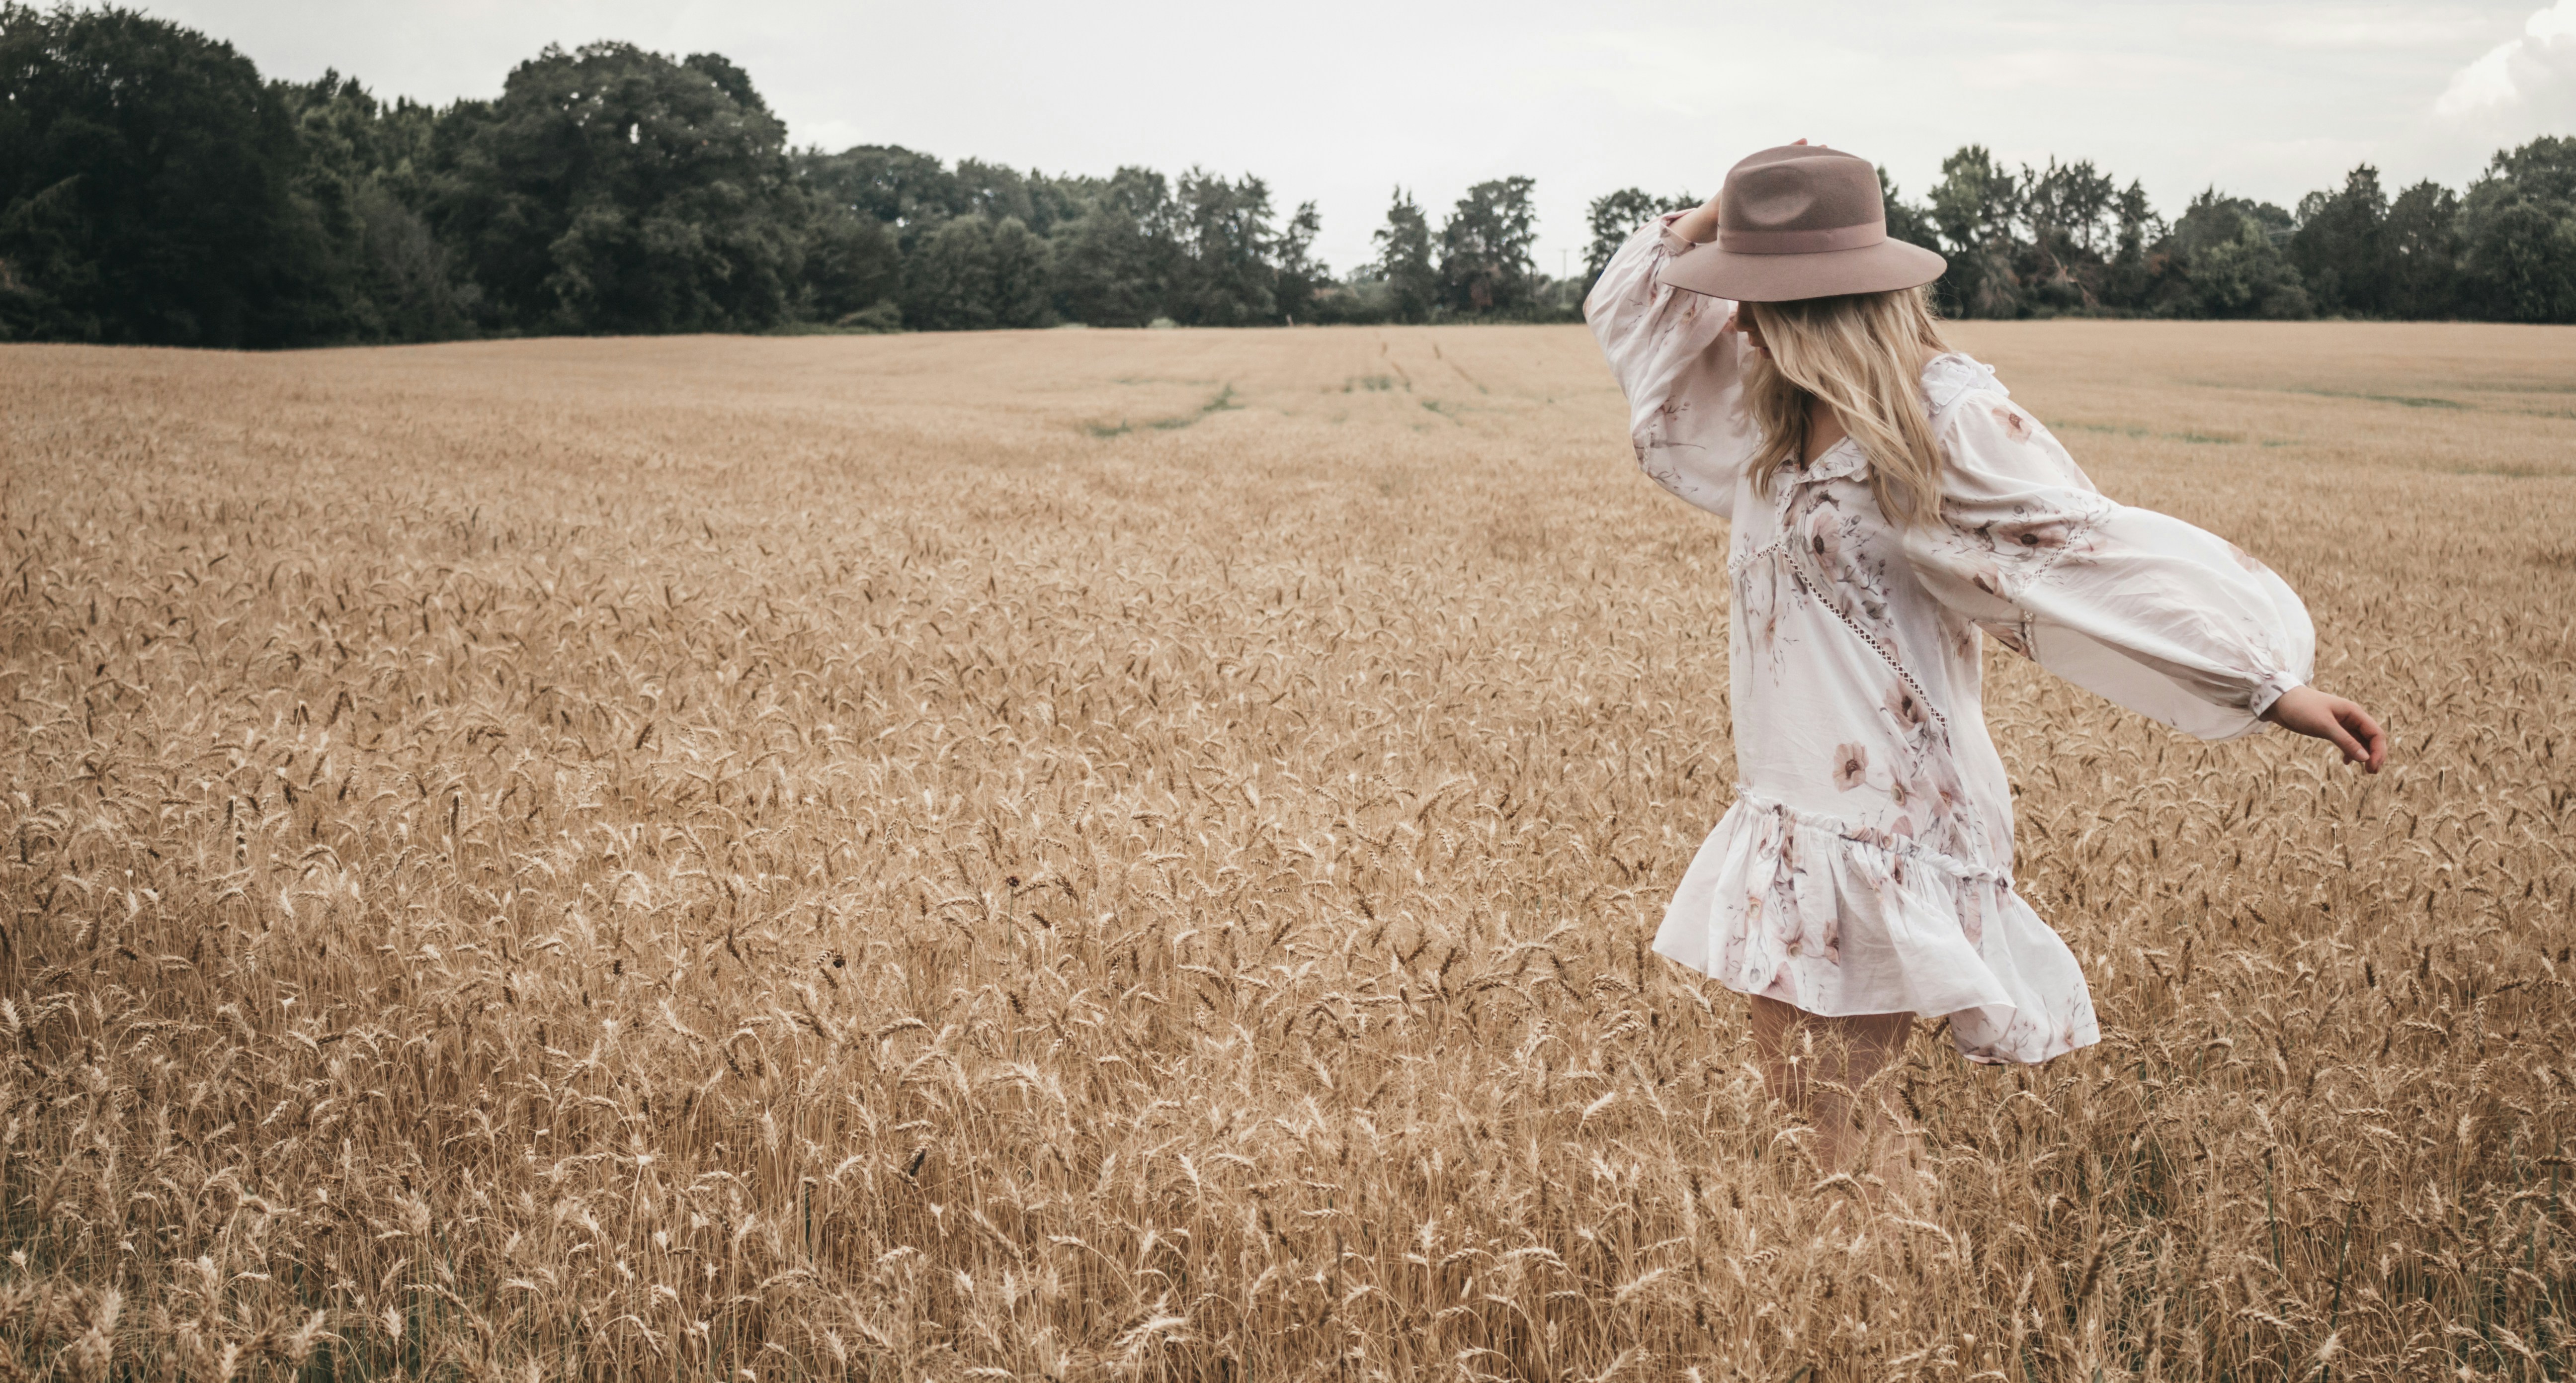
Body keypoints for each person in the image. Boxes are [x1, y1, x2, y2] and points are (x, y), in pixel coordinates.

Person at [1584, 143, 2388, 1183]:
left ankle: (1899, 1311)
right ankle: (1875, 1305)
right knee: (1807, 1106)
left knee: (1835, 1118)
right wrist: (1721, 215)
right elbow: (1629, 311)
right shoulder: (1768, 404)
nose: (1732, 316)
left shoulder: (1943, 413)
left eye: (1759, 294)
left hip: (1887, 806)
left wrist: (2268, 681)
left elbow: (2085, 547)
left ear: (1831, 300)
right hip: (1791, 797)